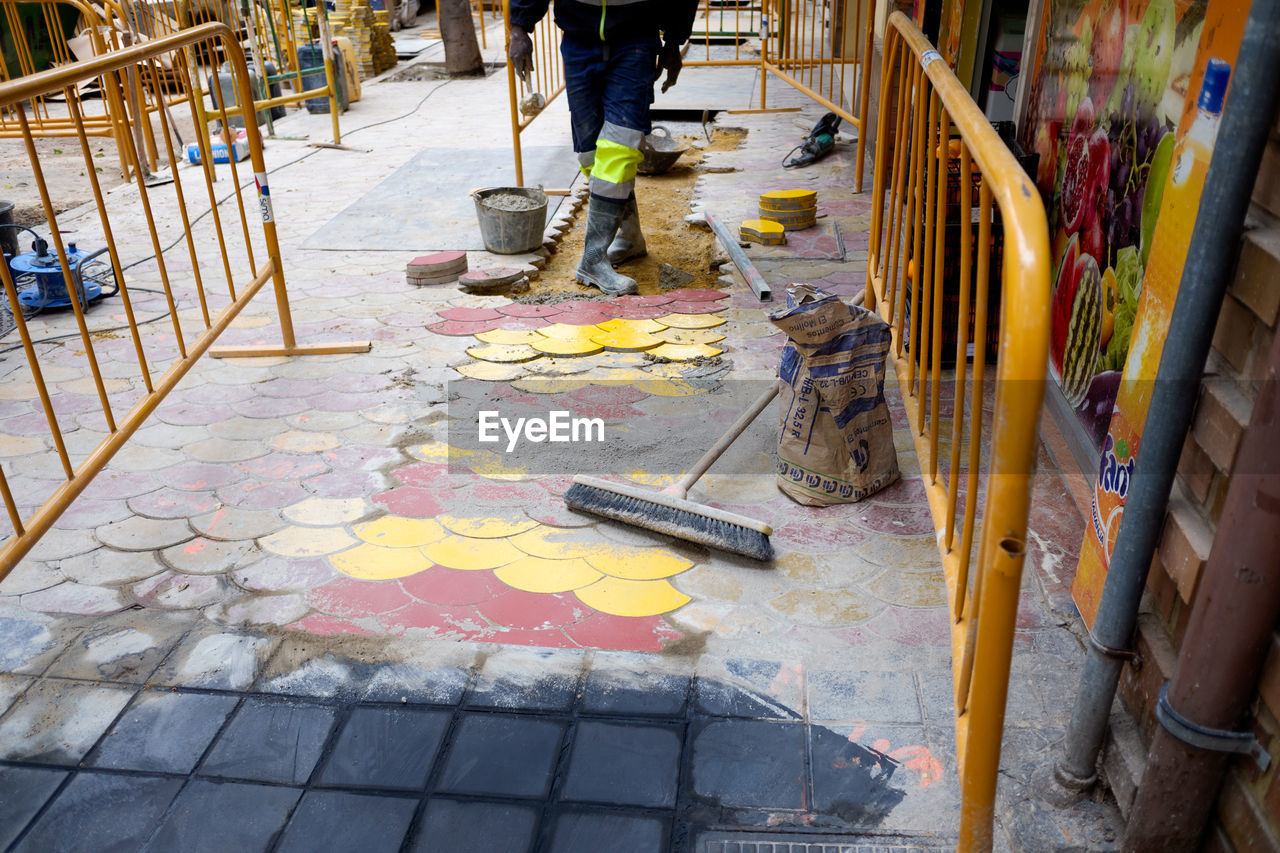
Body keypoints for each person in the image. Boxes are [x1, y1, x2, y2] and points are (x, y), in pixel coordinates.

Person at [507, 0, 698, 295]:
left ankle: (593, 259)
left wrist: (673, 40)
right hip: (578, 38)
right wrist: (519, 27)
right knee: (591, 155)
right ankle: (631, 237)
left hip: (636, 37)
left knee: (620, 146)